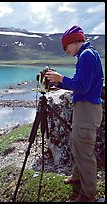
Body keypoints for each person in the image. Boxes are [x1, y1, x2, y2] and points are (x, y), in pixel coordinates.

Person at [45, 25, 103, 202]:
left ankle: (88, 193)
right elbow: (80, 83)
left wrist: (61, 78)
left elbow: (82, 87)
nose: (66, 51)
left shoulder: (86, 56)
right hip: (85, 108)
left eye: (66, 47)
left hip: (87, 109)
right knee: (77, 143)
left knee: (84, 150)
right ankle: (78, 176)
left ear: (73, 41)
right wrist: (59, 83)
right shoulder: (87, 54)